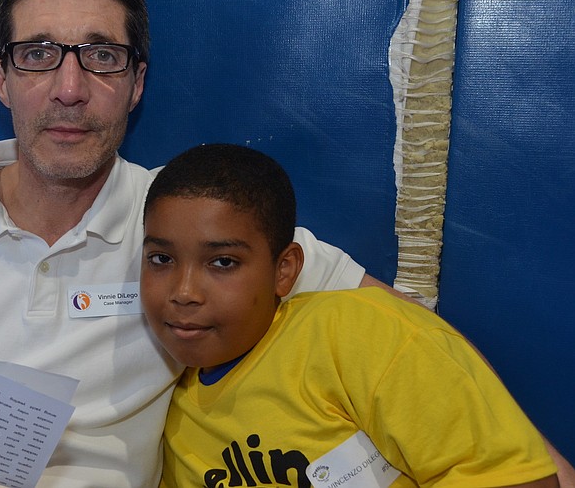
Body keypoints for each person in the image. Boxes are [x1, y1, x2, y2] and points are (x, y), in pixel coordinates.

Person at [0, 0, 574, 488]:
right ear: (2, 78)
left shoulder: (186, 219)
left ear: (135, 83)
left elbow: (408, 341)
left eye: (101, 56)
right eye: (40, 54)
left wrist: (540, 469)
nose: (69, 88)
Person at [140, 143, 560, 488]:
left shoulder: (364, 336)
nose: (184, 292)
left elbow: (514, 479)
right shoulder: (174, 427)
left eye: (223, 263)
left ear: (284, 270)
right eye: (161, 258)